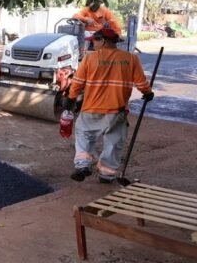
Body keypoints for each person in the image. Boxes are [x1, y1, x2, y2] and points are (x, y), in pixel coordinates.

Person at [63, 28, 154, 184]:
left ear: (103, 41)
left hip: (91, 109)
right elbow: (141, 83)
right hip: (117, 111)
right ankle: (106, 175)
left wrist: (70, 98)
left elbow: (77, 83)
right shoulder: (131, 59)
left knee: (84, 135)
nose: (93, 44)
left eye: (94, 41)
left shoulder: (90, 58)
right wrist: (148, 92)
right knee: (113, 142)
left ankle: (83, 165)